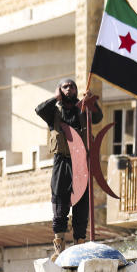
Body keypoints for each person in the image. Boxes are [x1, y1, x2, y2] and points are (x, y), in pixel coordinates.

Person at [35, 78, 102, 257]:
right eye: (65, 87)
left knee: (82, 204)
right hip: (62, 161)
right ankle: (59, 247)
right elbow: (39, 110)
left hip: (81, 164)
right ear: (59, 90)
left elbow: (98, 117)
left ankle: (79, 244)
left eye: (72, 86)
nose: (69, 89)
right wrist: (55, 98)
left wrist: (91, 103)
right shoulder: (53, 113)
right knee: (60, 202)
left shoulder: (83, 110)